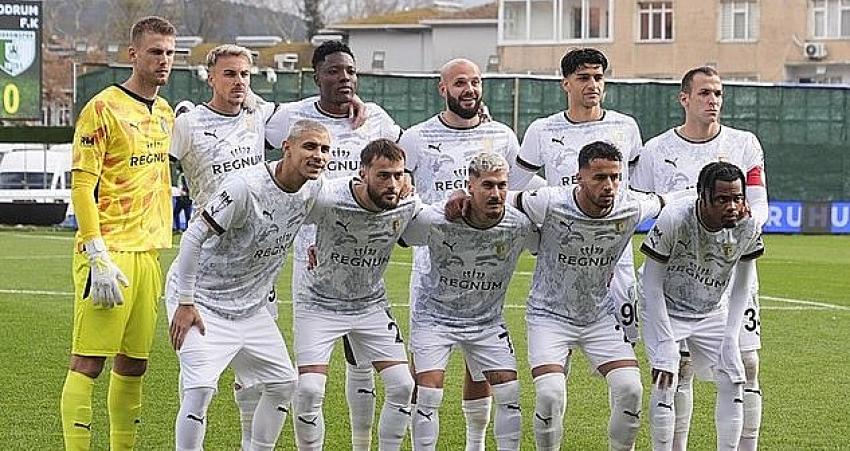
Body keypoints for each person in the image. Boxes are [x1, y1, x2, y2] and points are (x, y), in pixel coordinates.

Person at [265, 40, 402, 450]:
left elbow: (404, 159)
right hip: (313, 258)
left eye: (350, 71)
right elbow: (251, 125)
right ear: (316, 77)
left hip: (364, 259)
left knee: (363, 362)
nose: (344, 78)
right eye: (334, 71)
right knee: (311, 383)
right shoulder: (290, 117)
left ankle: (362, 443)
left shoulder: (375, 118)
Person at [166, 119, 332, 451]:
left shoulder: (315, 188)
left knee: (283, 383)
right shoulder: (244, 187)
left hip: (251, 307)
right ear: (286, 148)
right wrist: (185, 301)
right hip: (202, 301)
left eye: (325, 149)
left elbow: (340, 207)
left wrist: (320, 243)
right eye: (310, 146)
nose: (319, 155)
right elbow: (193, 237)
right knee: (199, 390)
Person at [397, 57, 535, 449]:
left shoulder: (503, 136)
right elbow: (401, 192)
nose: (469, 89)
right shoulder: (416, 137)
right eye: (459, 82)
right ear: (443, 89)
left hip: (485, 269)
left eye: (475, 81)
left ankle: (476, 443)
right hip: (432, 269)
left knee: (481, 368)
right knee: (427, 378)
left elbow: (515, 192)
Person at [631, 66, 769, 451]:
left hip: (728, 270)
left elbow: (759, 204)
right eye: (705, 93)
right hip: (677, 273)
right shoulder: (657, 150)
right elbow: (639, 203)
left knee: (745, 364)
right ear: (685, 98)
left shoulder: (744, 143)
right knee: (680, 367)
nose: (713, 101)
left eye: (718, 94)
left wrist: (739, 227)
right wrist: (673, 211)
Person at [60, 16, 176, 451]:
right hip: (108, 253)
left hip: (149, 254)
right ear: (133, 54)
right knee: (89, 361)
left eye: (170, 53)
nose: (164, 60)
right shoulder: (102, 107)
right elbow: (81, 186)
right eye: (155, 52)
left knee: (134, 365)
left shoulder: (164, 112)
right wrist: (96, 253)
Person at [168, 44, 285, 450]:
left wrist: (356, 104)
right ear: (210, 77)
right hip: (207, 263)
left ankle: (249, 442)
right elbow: (156, 167)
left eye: (245, 75)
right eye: (230, 74)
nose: (239, 82)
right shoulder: (188, 123)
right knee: (199, 382)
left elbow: (311, 120)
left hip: (253, 268)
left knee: (259, 379)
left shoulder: (259, 117)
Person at [513, 141, 664, 451]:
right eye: (599, 177)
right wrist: (461, 197)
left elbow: (669, 200)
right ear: (579, 177)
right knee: (550, 394)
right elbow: (502, 198)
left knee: (631, 390)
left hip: (599, 317)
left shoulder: (631, 206)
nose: (609, 185)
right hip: (549, 316)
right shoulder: (549, 201)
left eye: (615, 177)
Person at [510, 47, 644, 349]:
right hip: (562, 255)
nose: (593, 84)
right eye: (583, 77)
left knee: (624, 343)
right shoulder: (542, 130)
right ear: (565, 83)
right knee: (559, 346)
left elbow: (637, 184)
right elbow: (514, 184)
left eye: (598, 77)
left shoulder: (626, 126)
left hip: (615, 255)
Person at [292, 139, 417, 451]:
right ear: (363, 173)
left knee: (403, 385)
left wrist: (458, 201)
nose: (392, 184)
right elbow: (289, 209)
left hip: (370, 305)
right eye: (383, 175)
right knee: (309, 390)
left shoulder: (407, 203)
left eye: (398, 175)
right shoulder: (329, 196)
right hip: (319, 303)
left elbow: (438, 220)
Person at [639, 162, 764, 451]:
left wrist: (730, 338)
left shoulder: (748, 224)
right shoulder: (675, 218)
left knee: (733, 376)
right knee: (666, 377)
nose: (731, 206)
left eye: (737, 198)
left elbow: (742, 285)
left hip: (711, 309)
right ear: (702, 196)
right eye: (722, 199)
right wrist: (665, 342)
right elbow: (651, 283)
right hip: (666, 306)